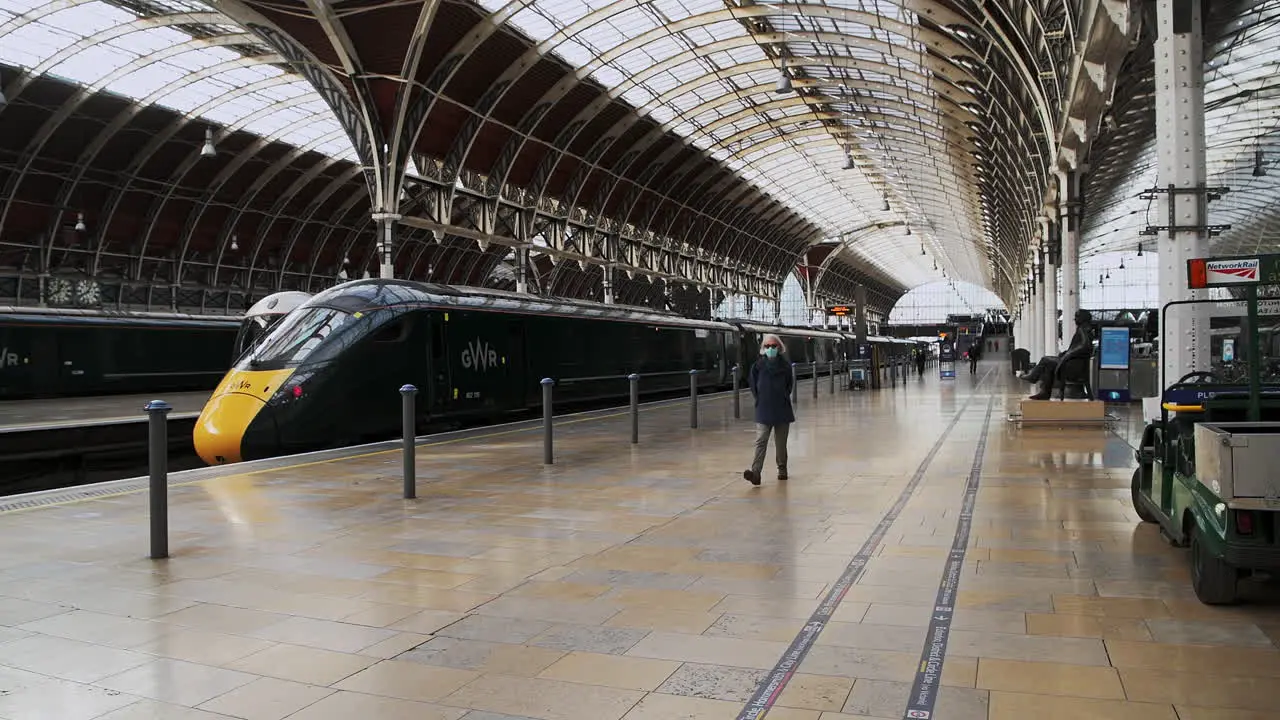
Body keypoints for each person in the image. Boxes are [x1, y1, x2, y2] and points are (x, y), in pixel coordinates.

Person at [744, 334, 794, 486]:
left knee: (780, 444)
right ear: (763, 348)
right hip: (764, 409)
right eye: (767, 346)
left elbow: (789, 385)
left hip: (782, 409)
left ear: (779, 348)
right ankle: (756, 473)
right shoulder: (757, 366)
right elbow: (753, 385)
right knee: (761, 441)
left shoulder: (785, 366)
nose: (770, 349)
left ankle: (782, 469)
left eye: (774, 346)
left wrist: (783, 396)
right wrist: (759, 399)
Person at [1019, 309, 1094, 399]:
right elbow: (1079, 347)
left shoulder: (1083, 329)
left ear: (1083, 318)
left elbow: (1085, 345)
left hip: (1073, 367)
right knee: (1049, 365)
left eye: (1077, 316)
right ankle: (1044, 393)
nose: (1075, 319)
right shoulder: (1085, 328)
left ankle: (1033, 377)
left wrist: (1068, 354)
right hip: (1075, 364)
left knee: (1045, 359)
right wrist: (1066, 353)